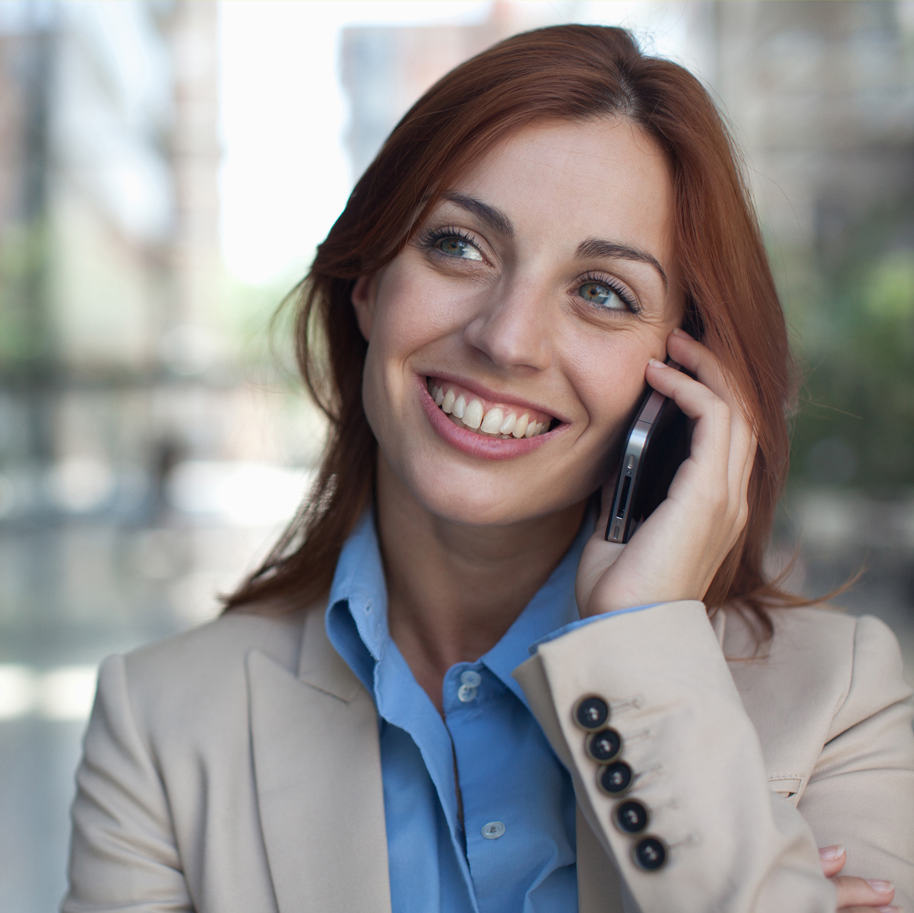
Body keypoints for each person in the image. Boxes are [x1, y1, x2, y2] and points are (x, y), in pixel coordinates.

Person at [62, 24, 914, 913]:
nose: (506, 339)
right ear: (368, 281)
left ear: (684, 382)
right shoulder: (161, 719)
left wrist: (641, 650)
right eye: (460, 245)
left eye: (601, 293)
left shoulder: (838, 699)